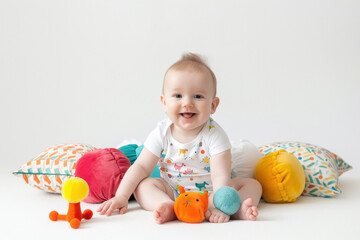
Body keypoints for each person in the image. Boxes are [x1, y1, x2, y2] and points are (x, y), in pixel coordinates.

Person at [97, 53, 262, 224]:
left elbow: (220, 176)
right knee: (143, 185)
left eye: (197, 96)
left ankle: (233, 208)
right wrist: (122, 196)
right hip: (173, 191)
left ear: (213, 105)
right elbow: (141, 166)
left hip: (211, 195)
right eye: (177, 96)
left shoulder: (215, 135)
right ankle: (168, 206)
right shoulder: (161, 132)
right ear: (164, 102)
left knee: (252, 185)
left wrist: (220, 203)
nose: (187, 103)